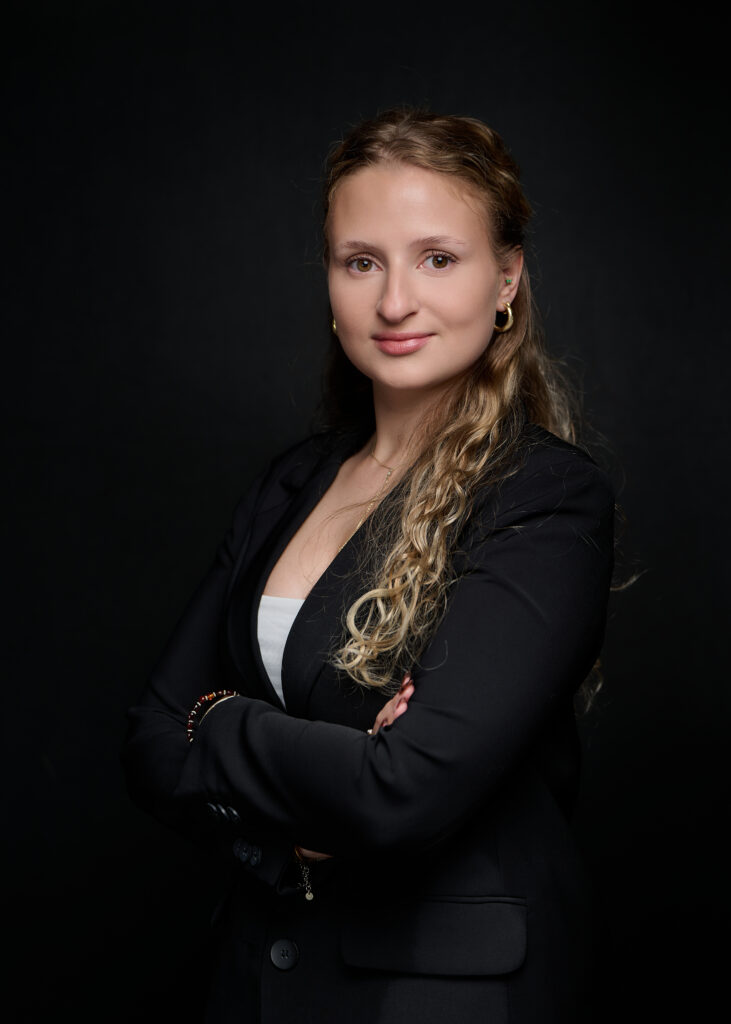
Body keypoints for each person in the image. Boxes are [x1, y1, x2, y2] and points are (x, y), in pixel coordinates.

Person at [122, 107, 614, 1023]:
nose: (394, 303)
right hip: (259, 975)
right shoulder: (290, 483)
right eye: (361, 262)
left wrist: (218, 718)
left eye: (437, 259)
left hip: (437, 995)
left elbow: (401, 792)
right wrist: (306, 809)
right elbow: (148, 740)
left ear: (506, 279)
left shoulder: (543, 498)